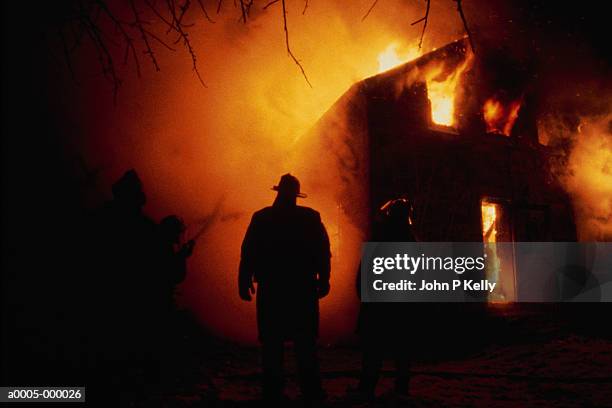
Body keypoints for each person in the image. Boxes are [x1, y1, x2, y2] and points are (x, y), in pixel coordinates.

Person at [239, 174, 331, 407]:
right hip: (302, 289)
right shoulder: (311, 218)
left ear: (278, 192)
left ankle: (272, 393)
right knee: (305, 343)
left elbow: (248, 251)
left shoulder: (262, 218)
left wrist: (244, 279)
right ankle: (311, 392)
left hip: (273, 289)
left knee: (272, 343)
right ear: (296, 195)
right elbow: (323, 251)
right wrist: (324, 278)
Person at [351, 198, 416, 403]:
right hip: (401, 306)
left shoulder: (380, 238)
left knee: (373, 350)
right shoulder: (410, 241)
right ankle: (401, 389)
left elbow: (364, 273)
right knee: (402, 350)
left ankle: (367, 388)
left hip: (378, 305)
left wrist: (364, 295)